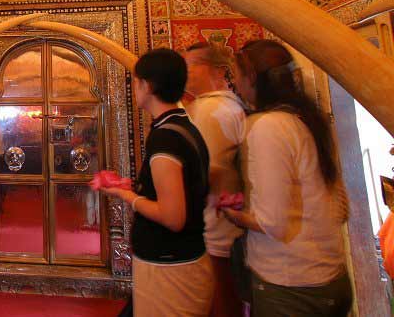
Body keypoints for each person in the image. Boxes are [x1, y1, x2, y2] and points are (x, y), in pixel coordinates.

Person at [223, 40, 352, 316]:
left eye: (235, 75)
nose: (234, 83)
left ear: (252, 77)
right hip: (331, 276)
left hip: (291, 284)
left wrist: (235, 216)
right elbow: (341, 208)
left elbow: (273, 223)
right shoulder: (308, 119)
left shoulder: (269, 126)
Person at [102, 48, 212, 316]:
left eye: (135, 81)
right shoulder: (184, 125)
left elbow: (173, 217)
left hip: (169, 266)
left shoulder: (166, 137)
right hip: (181, 259)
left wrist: (126, 196)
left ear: (147, 85)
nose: (133, 87)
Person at [184, 42, 246, 317]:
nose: (186, 72)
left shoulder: (210, 111)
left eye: (192, 65)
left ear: (220, 71)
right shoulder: (224, 107)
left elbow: (208, 172)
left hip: (215, 230)